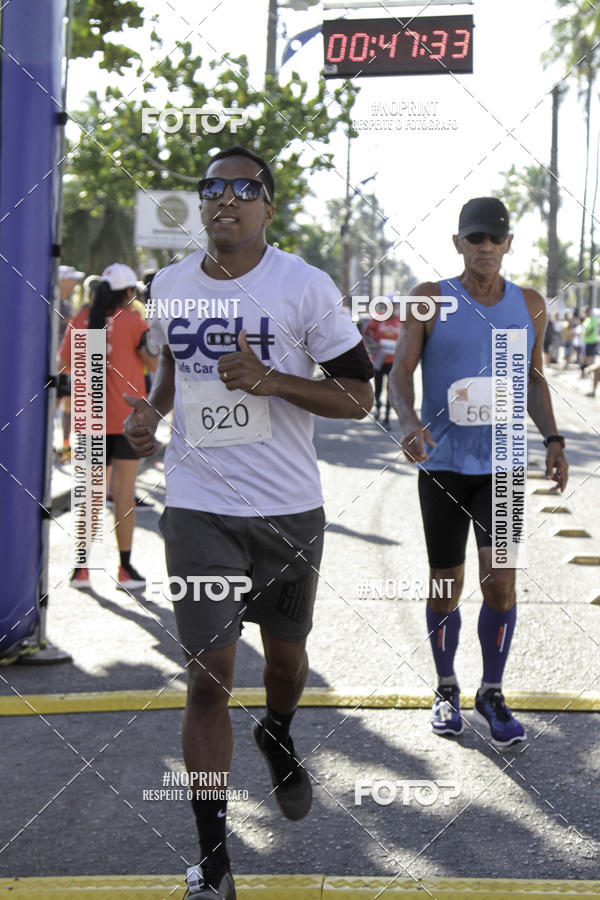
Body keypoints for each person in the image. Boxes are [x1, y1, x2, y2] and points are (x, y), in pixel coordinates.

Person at [123, 146, 373, 900]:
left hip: (289, 512)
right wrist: (150, 417)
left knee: (287, 663)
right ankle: (214, 863)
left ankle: (279, 731)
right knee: (208, 679)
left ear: (269, 206)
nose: (223, 198)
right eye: (211, 188)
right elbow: (171, 378)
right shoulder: (167, 285)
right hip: (199, 506)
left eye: (242, 188)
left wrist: (268, 380)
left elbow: (359, 395)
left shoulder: (304, 285)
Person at [389, 197, 568, 750]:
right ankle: (446, 688)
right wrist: (410, 420)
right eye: (475, 239)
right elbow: (399, 372)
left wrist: (554, 439)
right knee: (446, 585)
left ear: (509, 243)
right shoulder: (430, 300)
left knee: (502, 583)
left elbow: (534, 380)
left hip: (506, 468)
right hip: (443, 466)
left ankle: (491, 691)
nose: (485, 247)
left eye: (495, 238)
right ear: (458, 244)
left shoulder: (530, 303)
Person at [59, 263, 158, 590]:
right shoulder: (133, 322)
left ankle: (81, 570)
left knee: (90, 496)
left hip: (89, 422)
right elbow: (154, 364)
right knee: (124, 495)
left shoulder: (80, 321)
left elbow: (64, 364)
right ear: (129, 293)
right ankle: (125, 569)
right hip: (128, 421)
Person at [55, 265, 84, 462]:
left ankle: (65, 447)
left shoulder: (65, 303)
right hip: (55, 365)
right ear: (62, 280)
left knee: (68, 406)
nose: (75, 283)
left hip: (68, 365)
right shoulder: (53, 302)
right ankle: (46, 445)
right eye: (71, 279)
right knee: (52, 406)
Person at [362, 299, 402, 428]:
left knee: (391, 389)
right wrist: (374, 345)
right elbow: (366, 334)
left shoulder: (401, 321)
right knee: (378, 388)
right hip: (379, 359)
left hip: (393, 361)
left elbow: (407, 337)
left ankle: (387, 418)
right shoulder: (378, 319)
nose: (393, 308)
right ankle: (378, 407)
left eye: (395, 306)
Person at [580, 306, 598, 375]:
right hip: (586, 341)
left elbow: (592, 328)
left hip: (591, 341)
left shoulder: (592, 319)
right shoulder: (587, 319)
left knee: (590, 358)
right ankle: (587, 371)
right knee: (585, 357)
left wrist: (587, 334)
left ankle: (591, 373)